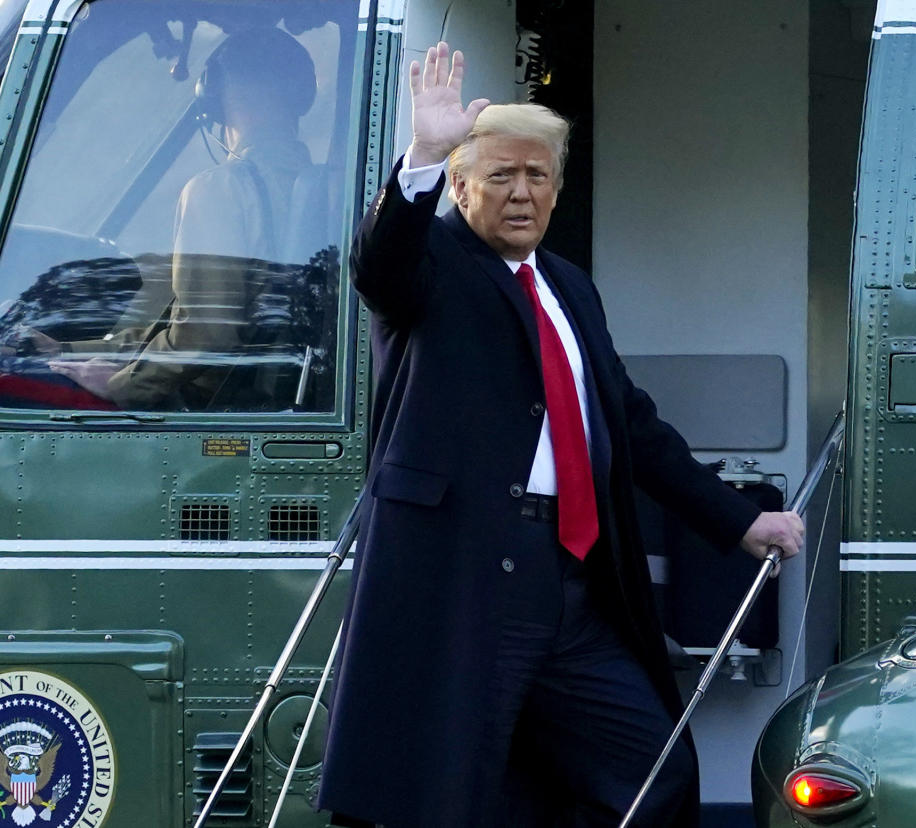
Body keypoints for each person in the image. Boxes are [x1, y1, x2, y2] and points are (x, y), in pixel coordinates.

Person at [318, 42, 805, 827]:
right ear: (461, 186)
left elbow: (632, 424)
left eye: (536, 176)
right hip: (464, 580)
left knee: (655, 775)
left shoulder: (569, 285)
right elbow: (381, 266)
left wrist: (741, 520)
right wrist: (424, 154)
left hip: (569, 588)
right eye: (499, 176)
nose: (520, 194)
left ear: (557, 188)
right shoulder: (434, 260)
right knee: (444, 797)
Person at [39, 27, 315, 409]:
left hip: (213, 407)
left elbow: (206, 333)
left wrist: (123, 387)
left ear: (215, 96)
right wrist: (67, 349)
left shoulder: (219, 189)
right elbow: (188, 325)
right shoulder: (324, 190)